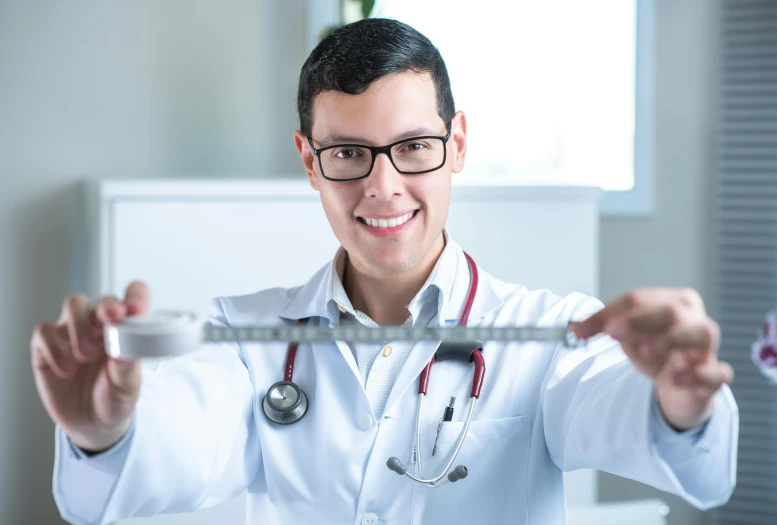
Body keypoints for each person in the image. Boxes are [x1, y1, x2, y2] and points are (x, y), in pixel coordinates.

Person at [32, 18, 738, 525]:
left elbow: (650, 434)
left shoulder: (545, 328)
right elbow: (183, 443)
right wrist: (106, 432)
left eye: (413, 147)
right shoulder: (245, 332)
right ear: (309, 161)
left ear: (456, 144)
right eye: (347, 154)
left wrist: (679, 403)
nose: (383, 186)